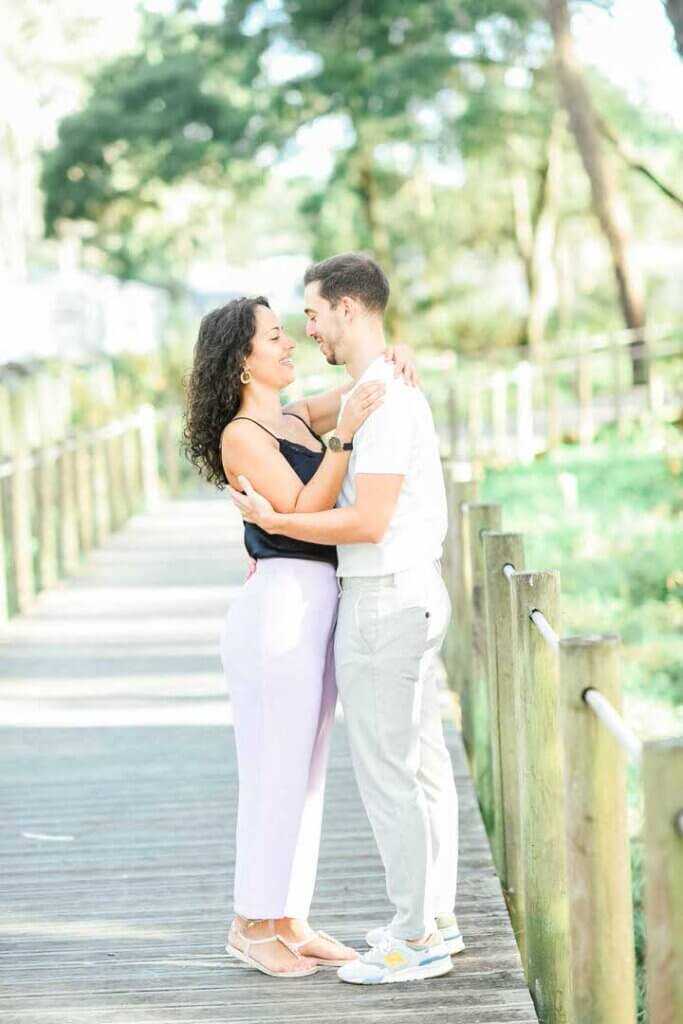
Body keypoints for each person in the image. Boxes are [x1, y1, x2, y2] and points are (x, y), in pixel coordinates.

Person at [229, 252, 463, 986]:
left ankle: (414, 932)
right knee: (407, 768)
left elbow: (365, 519)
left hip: (383, 595)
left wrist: (276, 521)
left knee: (393, 773)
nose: (302, 332)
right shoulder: (354, 397)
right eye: (282, 329)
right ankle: (425, 921)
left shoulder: (377, 397)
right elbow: (331, 447)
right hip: (362, 598)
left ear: (348, 310)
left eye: (310, 315)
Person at [182, 294, 419, 978]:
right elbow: (299, 512)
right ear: (241, 359)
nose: (289, 345)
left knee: (306, 772)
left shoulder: (287, 416)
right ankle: (249, 924)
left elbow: (360, 387)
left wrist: (397, 358)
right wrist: (341, 441)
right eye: (275, 337)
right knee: (272, 769)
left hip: (316, 606)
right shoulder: (241, 436)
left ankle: (287, 915)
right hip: (278, 611)